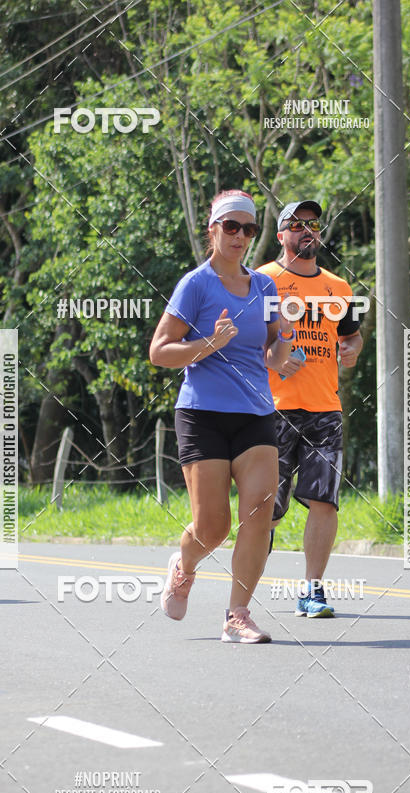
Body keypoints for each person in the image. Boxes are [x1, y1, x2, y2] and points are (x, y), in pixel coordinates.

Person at [149, 189, 294, 643]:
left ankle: (238, 614)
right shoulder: (195, 285)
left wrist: (285, 342)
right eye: (230, 227)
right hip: (202, 414)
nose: (239, 236)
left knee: (259, 510)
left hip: (255, 413)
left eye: (247, 229)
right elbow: (159, 352)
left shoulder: (266, 287)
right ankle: (184, 565)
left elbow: (272, 353)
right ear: (212, 230)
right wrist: (208, 344)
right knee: (214, 526)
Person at [257, 199, 363, 618]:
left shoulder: (339, 287)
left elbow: (352, 335)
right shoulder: (263, 280)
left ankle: (313, 590)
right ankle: (244, 589)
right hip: (272, 410)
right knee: (267, 508)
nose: (306, 231)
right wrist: (274, 356)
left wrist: (352, 348)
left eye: (313, 224)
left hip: (325, 410)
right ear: (281, 234)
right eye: (296, 225)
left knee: (324, 501)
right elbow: (243, 342)